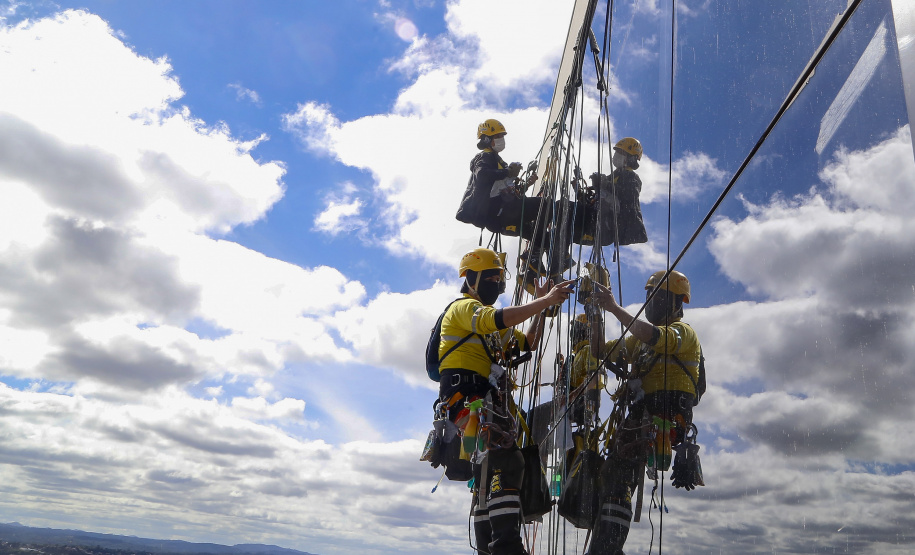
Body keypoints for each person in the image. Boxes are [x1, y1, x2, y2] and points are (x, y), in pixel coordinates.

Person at [438, 247, 574, 555]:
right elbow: (496, 319)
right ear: (471, 280)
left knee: (489, 474)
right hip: (468, 400)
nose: (496, 285)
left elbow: (525, 343)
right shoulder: (464, 309)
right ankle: (507, 547)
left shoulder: (487, 329)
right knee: (507, 462)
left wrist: (541, 310)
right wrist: (546, 300)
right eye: (490, 278)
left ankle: (489, 547)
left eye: (498, 279)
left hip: (483, 403)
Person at [583, 270, 702, 555]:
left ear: (677, 303)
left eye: (659, 296)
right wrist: (596, 313)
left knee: (618, 478)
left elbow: (656, 337)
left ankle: (606, 549)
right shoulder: (637, 342)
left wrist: (613, 307)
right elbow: (599, 350)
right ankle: (607, 548)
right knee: (611, 475)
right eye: (650, 295)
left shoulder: (683, 333)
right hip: (639, 422)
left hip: (660, 421)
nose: (651, 302)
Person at [455, 119, 556, 280]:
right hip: (498, 214)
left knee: (543, 237)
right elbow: (482, 175)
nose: (501, 140)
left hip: (502, 216)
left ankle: (531, 272)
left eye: (502, 136)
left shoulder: (498, 162)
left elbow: (506, 192)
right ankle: (534, 257)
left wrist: (527, 183)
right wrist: (507, 173)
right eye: (498, 136)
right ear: (487, 139)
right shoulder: (485, 158)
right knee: (547, 205)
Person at [575, 138, 648, 247]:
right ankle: (562, 257)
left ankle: (590, 232)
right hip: (593, 220)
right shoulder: (613, 177)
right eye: (617, 152)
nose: (616, 155)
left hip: (606, 228)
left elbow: (629, 196)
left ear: (631, 159)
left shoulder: (632, 178)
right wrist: (582, 194)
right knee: (562, 208)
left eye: (621, 152)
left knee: (569, 214)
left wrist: (605, 184)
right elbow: (599, 197)